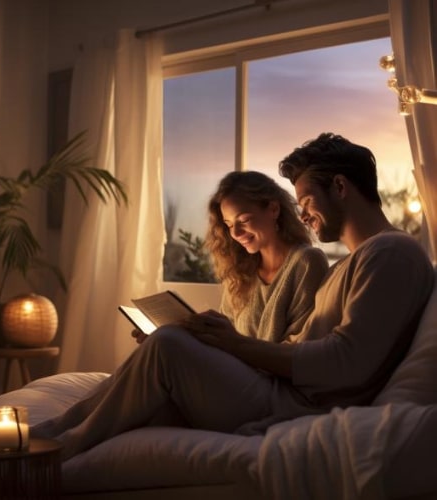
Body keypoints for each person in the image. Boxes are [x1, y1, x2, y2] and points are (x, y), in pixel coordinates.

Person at [33, 133, 433, 460]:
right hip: (279, 390)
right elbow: (306, 347)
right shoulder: (350, 264)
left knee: (170, 346)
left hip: (296, 406)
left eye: (307, 201)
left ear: (341, 187)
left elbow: (345, 362)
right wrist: (219, 343)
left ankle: (55, 448)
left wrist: (234, 344)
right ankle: (54, 430)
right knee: (166, 355)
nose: (305, 215)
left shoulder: (390, 253)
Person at [133, 170, 328, 345]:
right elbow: (226, 341)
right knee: (162, 340)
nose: (235, 232)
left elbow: (300, 348)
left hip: (272, 380)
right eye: (228, 224)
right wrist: (179, 333)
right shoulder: (242, 271)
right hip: (237, 372)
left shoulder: (307, 261)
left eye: (244, 220)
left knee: (164, 344)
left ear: (273, 209)